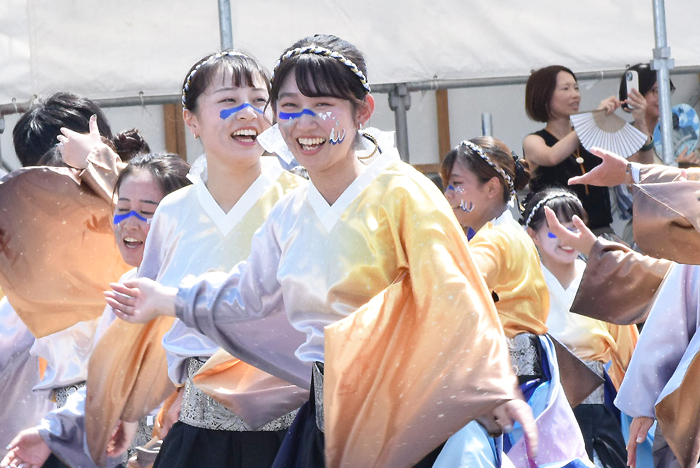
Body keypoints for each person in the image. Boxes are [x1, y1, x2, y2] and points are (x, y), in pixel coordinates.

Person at [105, 34, 536, 468]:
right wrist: (165, 299)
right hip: (323, 425)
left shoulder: (403, 191)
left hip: (402, 425)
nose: (304, 123)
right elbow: (248, 294)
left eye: (322, 106)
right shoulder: (291, 210)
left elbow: (453, 295)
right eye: (290, 107)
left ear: (362, 111)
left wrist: (494, 386)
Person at [97, 50, 306, 468]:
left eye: (259, 100)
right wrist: (124, 404)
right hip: (198, 434)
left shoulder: (301, 198)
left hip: (291, 430)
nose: (247, 113)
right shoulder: (172, 210)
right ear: (191, 120)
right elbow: (142, 322)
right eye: (228, 101)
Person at [1, 152, 191, 468]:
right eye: (122, 208)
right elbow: (108, 380)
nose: (130, 223)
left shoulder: (194, 286)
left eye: (147, 212)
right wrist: (52, 434)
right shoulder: (128, 282)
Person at [436, 138, 589, 468]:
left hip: (510, 388)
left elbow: (454, 293)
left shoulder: (492, 239)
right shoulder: (510, 233)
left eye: (457, 184)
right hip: (530, 380)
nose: (448, 195)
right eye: (447, 186)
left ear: (492, 188)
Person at [523, 189, 638, 468]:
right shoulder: (523, 287)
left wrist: (641, 406)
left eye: (575, 228)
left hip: (599, 409)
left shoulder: (603, 282)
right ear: (532, 235)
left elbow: (631, 354)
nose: (566, 238)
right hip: (542, 408)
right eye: (554, 229)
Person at [523, 65, 620, 235]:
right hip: (557, 235)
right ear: (545, 96)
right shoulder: (533, 141)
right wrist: (593, 119)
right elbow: (552, 156)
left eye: (576, 88)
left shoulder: (589, 135)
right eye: (565, 88)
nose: (575, 94)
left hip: (601, 233)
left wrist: (639, 120)